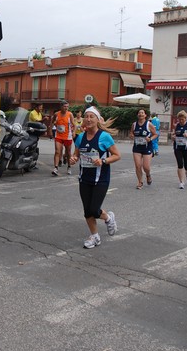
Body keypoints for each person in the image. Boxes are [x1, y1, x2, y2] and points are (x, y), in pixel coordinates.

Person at [69, 106, 120, 248]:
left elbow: (117, 155)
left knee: (94, 209)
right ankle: (95, 236)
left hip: (101, 179)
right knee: (87, 211)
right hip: (84, 179)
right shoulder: (80, 137)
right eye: (87, 116)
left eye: (92, 116)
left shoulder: (104, 137)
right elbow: (76, 154)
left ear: (98, 120)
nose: (89, 119)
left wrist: (103, 161)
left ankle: (108, 218)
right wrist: (73, 159)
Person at [130, 108, 157, 189]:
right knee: (138, 166)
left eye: (142, 113)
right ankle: (140, 182)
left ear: (145, 115)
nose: (140, 114)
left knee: (146, 167)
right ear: (137, 115)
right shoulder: (134, 124)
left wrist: (150, 139)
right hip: (137, 147)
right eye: (139, 113)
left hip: (147, 147)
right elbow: (131, 132)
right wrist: (131, 135)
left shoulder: (149, 124)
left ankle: (148, 175)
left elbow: (155, 134)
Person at [51, 101, 75, 176]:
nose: (66, 108)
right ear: (61, 107)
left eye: (67, 107)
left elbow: (74, 124)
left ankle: (69, 167)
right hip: (58, 136)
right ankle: (55, 168)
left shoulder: (70, 114)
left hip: (68, 136)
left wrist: (73, 132)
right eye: (65, 106)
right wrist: (50, 131)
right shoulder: (56, 114)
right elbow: (52, 122)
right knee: (57, 151)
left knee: (68, 153)